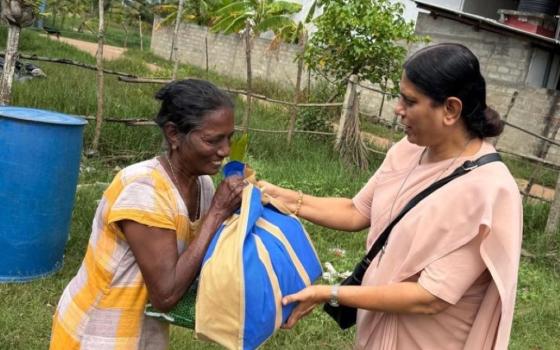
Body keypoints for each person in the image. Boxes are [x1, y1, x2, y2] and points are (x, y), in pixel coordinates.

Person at [260, 43, 523, 349]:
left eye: (410, 101)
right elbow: (357, 211)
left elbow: (429, 297)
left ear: (450, 109)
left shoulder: (489, 191)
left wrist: (329, 293)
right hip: (376, 330)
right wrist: (286, 198)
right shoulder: (408, 150)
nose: (398, 109)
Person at [49, 79, 245, 349]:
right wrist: (217, 213)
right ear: (174, 134)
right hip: (99, 332)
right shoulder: (144, 189)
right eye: (213, 140)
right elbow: (165, 294)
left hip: (143, 329)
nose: (225, 150)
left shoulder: (203, 184)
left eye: (229, 138)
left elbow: (201, 258)